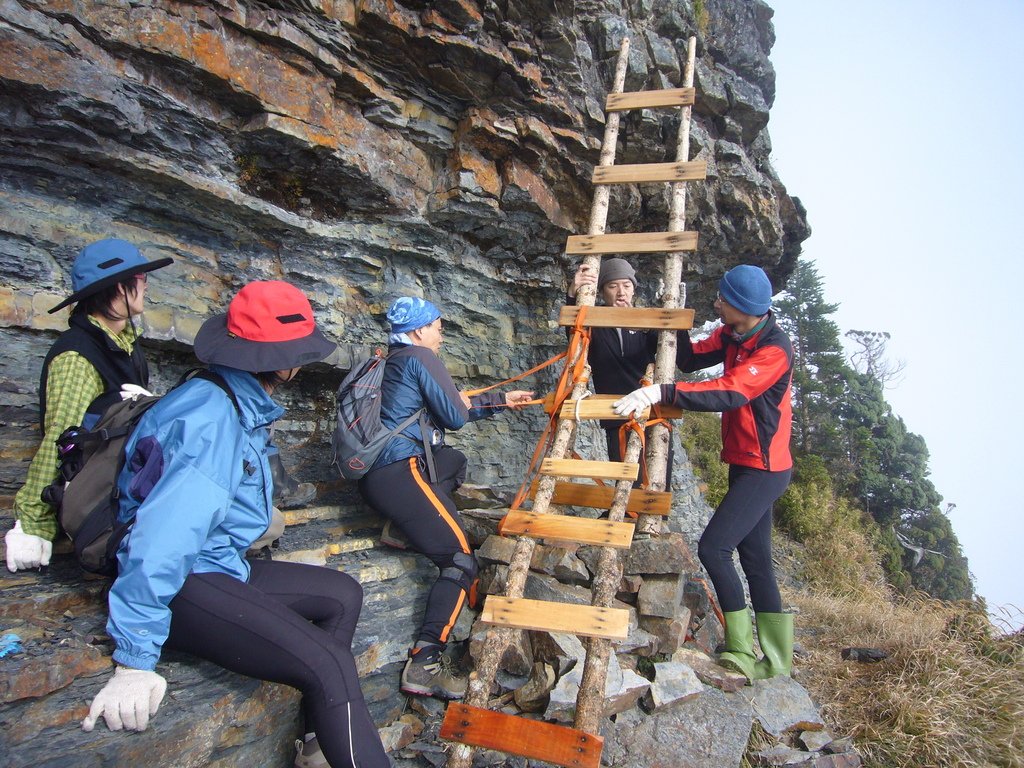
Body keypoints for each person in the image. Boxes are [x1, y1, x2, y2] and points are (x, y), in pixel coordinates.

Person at [80, 281, 390, 768]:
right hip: (182, 581)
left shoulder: (229, 398)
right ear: (283, 362)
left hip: (215, 564)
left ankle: (321, 743)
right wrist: (135, 659)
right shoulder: (212, 418)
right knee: (330, 665)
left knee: (342, 594)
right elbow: (162, 541)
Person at [613, 264, 795, 682]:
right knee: (757, 560)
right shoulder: (733, 334)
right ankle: (776, 659)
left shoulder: (773, 349)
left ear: (742, 307)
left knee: (715, 548)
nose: (716, 303)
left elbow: (732, 391)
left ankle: (741, 651)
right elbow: (692, 359)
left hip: (765, 469)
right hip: (746, 463)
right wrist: (674, 315)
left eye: (722, 299)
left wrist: (661, 392)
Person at [357, 296, 533, 700]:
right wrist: (467, 400)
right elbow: (453, 416)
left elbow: (441, 414)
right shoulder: (421, 356)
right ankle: (424, 662)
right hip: (400, 475)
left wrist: (500, 402)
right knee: (459, 560)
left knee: (452, 459)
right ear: (420, 330)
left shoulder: (393, 359)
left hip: (379, 476)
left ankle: (400, 524)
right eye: (437, 325)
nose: (441, 332)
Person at [5, 238, 171, 573]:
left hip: (121, 488)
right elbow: (61, 439)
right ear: (119, 287)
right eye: (140, 279)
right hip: (95, 500)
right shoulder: (77, 356)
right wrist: (34, 525)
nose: (145, 285)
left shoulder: (125, 346)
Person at [567, 258, 673, 470]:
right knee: (625, 485)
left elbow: (672, 350)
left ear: (634, 290)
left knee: (656, 485)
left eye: (626, 285)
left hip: (652, 414)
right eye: (612, 286)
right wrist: (572, 295)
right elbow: (574, 335)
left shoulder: (647, 323)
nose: (621, 292)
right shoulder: (595, 325)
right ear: (602, 292)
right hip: (615, 416)